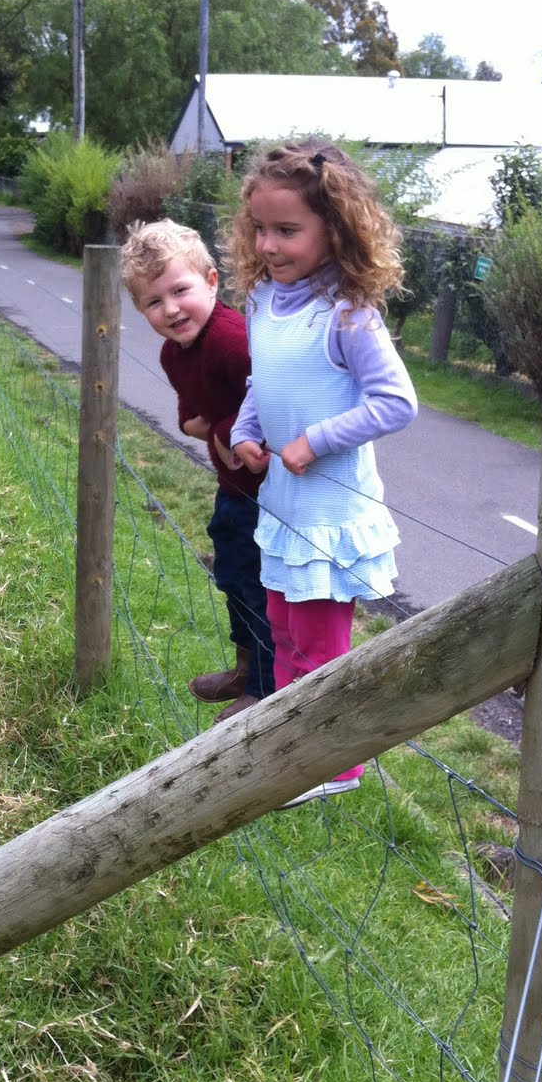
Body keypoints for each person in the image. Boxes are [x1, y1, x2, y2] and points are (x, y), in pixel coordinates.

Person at [227, 140, 418, 806]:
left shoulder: (346, 312)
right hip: (283, 501)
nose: (270, 245)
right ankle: (292, 741)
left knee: (317, 640)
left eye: (287, 230)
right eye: (260, 229)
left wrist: (316, 438)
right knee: (280, 627)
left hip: (330, 513)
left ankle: (333, 764)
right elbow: (263, 379)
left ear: (333, 230)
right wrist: (246, 430)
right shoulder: (262, 301)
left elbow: (395, 402)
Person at [120, 219, 275, 721]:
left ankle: (266, 686)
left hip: (271, 492)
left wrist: (227, 429)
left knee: (258, 583)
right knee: (232, 575)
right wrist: (198, 424)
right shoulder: (174, 353)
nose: (169, 309)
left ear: (211, 282)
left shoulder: (233, 339)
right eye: (152, 302)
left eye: (180, 290)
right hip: (233, 486)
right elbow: (192, 412)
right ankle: (245, 666)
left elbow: (273, 396)